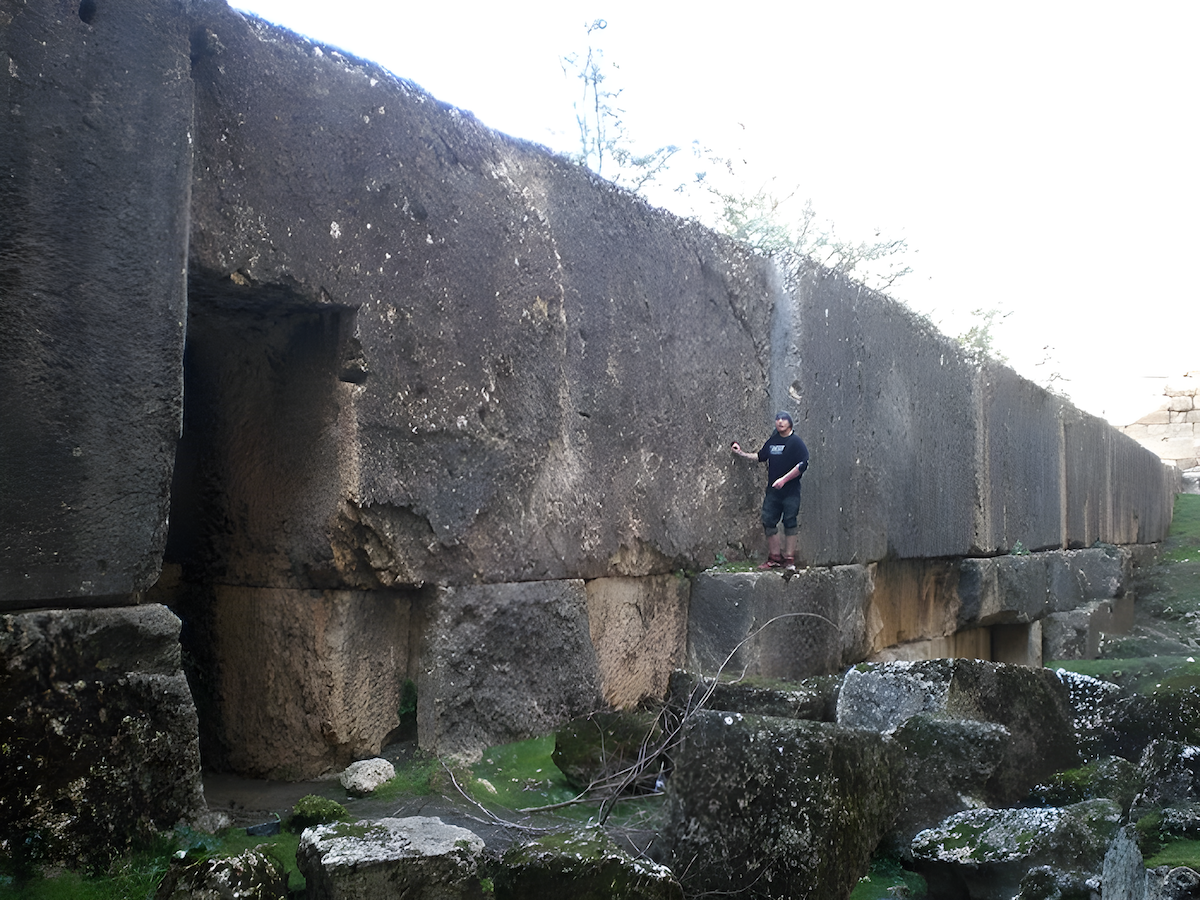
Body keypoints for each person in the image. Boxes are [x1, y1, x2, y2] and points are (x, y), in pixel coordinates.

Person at [731, 411, 810, 571]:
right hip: (773, 491)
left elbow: (803, 464)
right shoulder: (773, 441)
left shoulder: (795, 442)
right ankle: (775, 558)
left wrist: (784, 480)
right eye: (777, 419)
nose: (780, 421)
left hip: (790, 491)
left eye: (784, 419)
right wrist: (740, 453)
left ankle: (789, 560)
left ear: (790, 423)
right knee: (768, 521)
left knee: (790, 522)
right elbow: (760, 456)